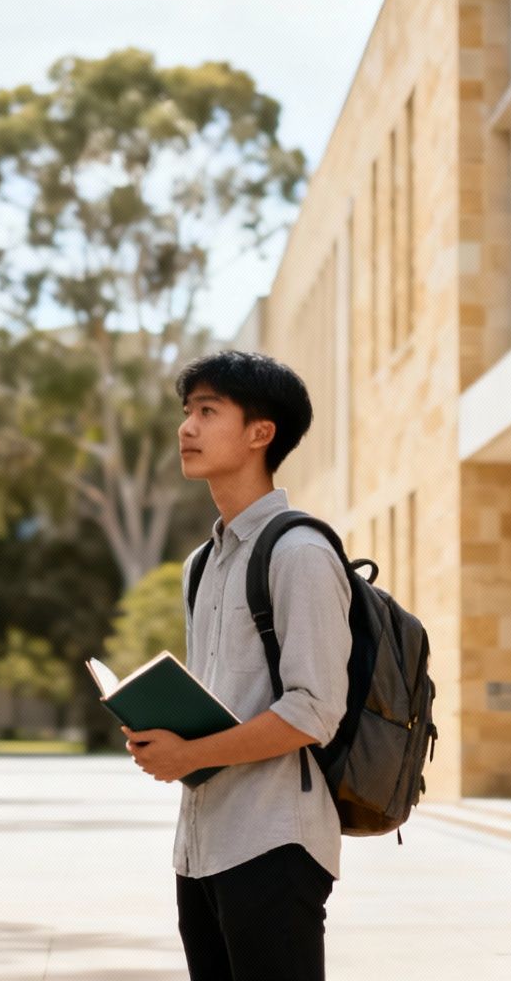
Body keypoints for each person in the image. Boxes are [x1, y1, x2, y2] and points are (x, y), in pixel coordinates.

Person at [121, 350, 353, 981]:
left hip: (274, 842)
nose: (186, 428)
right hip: (200, 848)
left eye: (207, 411)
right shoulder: (203, 564)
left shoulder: (300, 553)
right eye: (186, 411)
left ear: (260, 433)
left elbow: (314, 710)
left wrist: (189, 756)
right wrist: (160, 732)